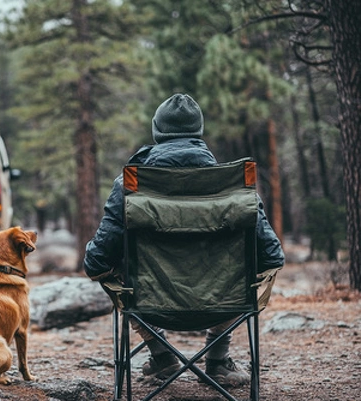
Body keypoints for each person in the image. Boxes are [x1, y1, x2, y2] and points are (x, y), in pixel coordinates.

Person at [83, 93, 285, 386]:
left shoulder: (130, 185)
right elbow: (273, 256)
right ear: (199, 133)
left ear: (157, 131)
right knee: (246, 270)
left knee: (113, 274)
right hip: (223, 303)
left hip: (150, 305)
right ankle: (217, 359)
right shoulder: (232, 185)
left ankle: (161, 354)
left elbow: (96, 262)